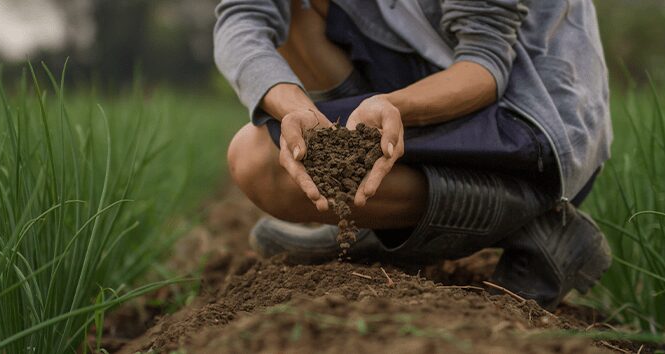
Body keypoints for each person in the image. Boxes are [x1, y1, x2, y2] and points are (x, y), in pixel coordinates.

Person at [215, 0, 612, 310]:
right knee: (296, 18)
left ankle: (531, 215)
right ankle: (375, 213)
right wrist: (294, 106)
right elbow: (242, 17)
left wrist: (394, 106)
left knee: (259, 163)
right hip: (424, 66)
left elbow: (485, 61)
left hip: (528, 109)